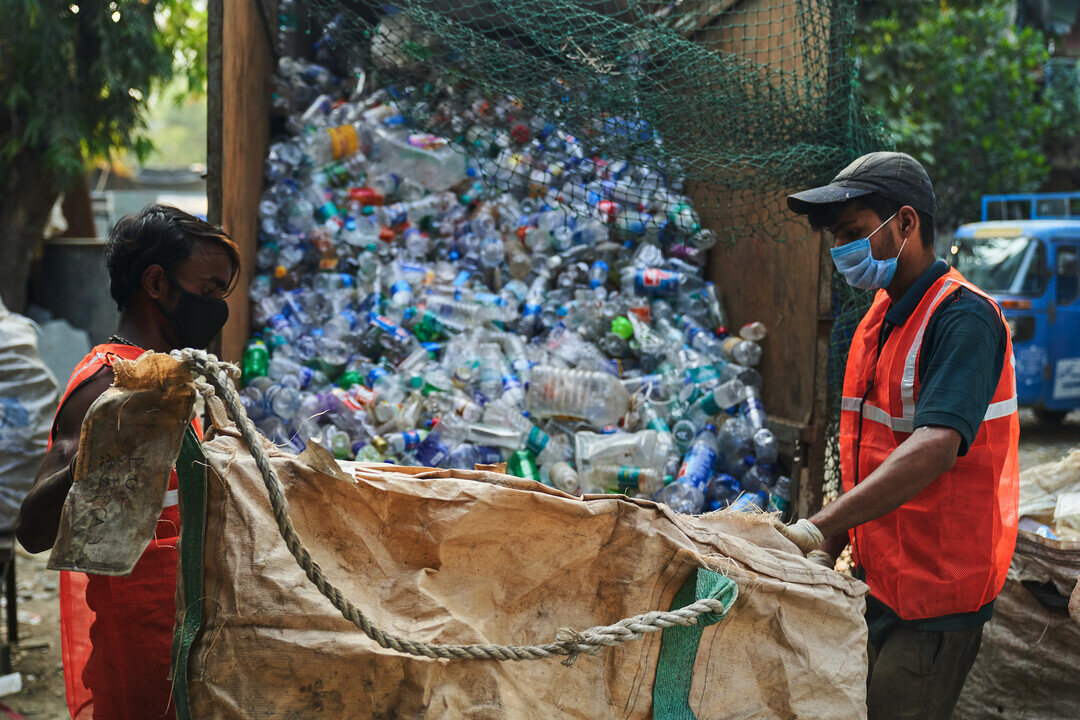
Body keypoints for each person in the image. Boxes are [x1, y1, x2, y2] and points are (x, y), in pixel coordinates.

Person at [781, 152, 1019, 720]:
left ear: (906, 224)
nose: (843, 251)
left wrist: (820, 527)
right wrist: (834, 547)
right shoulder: (880, 318)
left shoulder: (965, 319)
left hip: (937, 594)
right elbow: (871, 450)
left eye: (855, 233)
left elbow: (935, 447)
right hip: (883, 579)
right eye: (838, 238)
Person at [17, 205, 239, 720]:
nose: (216, 310)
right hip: (141, 639)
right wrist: (96, 455)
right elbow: (33, 530)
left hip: (186, 623)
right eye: (208, 292)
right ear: (157, 283)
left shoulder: (175, 377)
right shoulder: (108, 383)